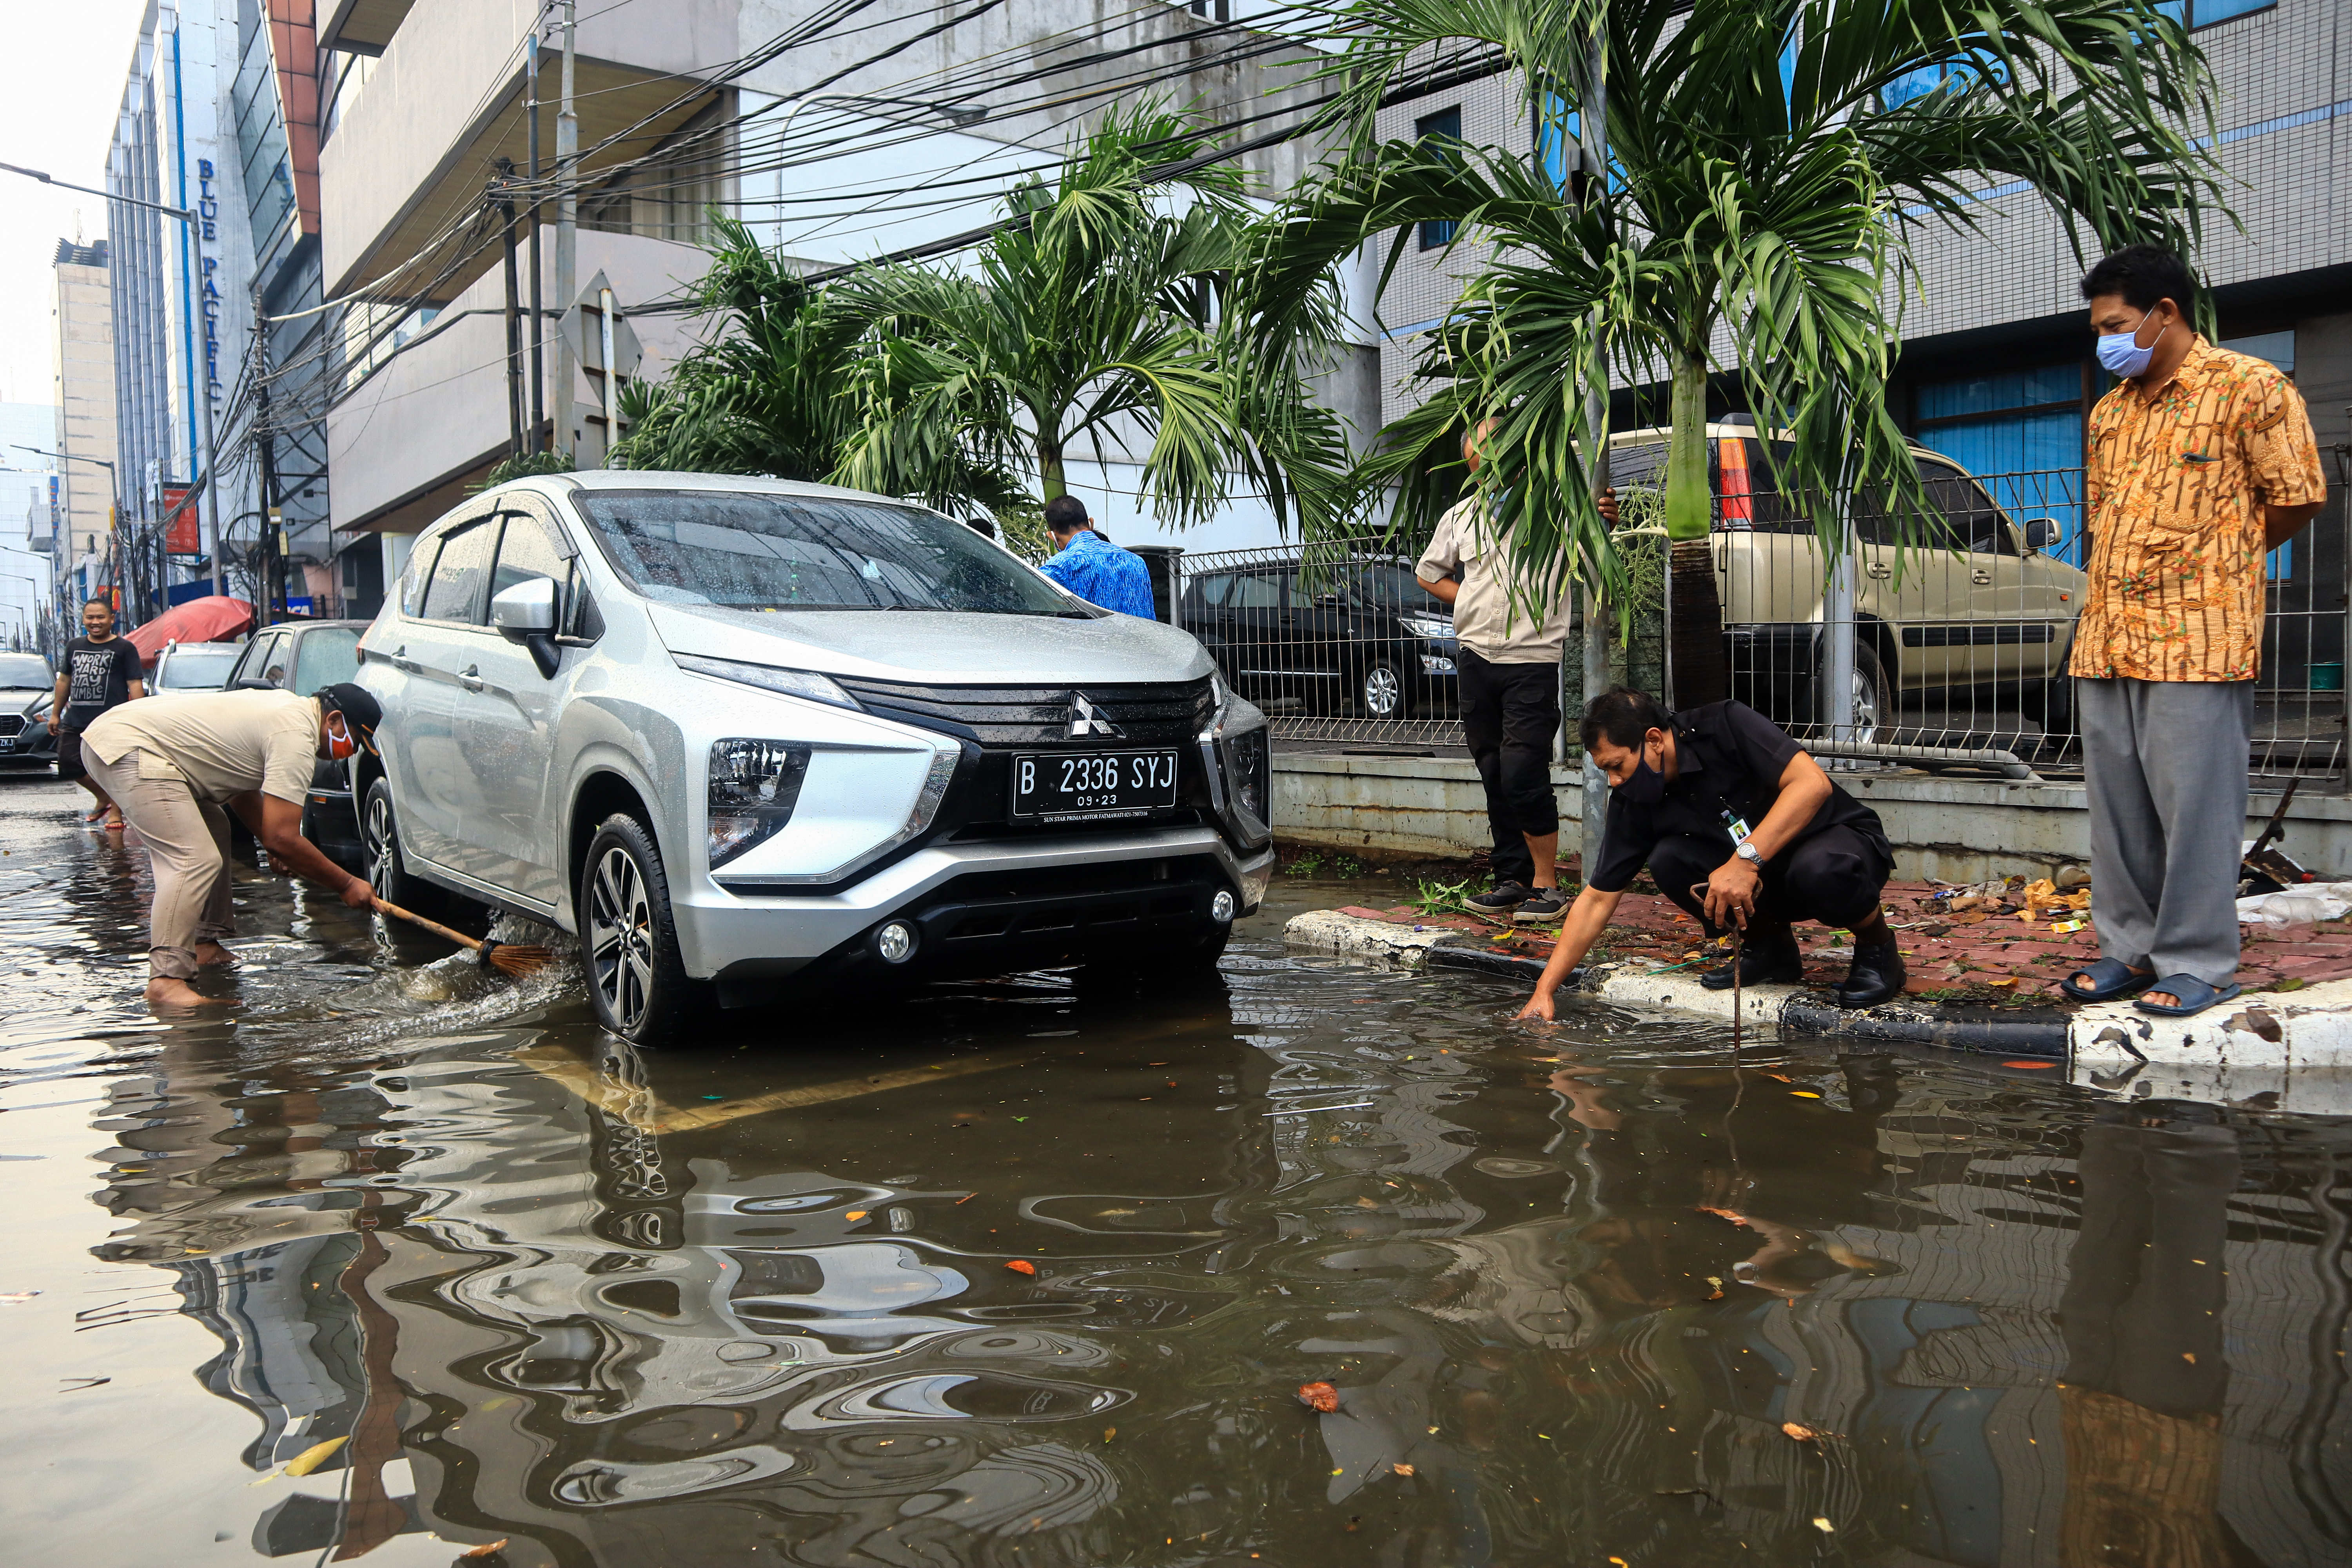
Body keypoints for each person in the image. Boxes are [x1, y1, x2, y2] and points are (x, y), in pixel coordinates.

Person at [2059, 245, 2327, 1018]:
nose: (2105, 341)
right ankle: (2130, 948)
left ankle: (2199, 962)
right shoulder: (2111, 412)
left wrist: (2219, 561)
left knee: (2196, 813)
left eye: (2115, 325)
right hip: (2108, 635)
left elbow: (2299, 495)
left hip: (2198, 637)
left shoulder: (2251, 387)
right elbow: (2106, 514)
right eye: (2098, 329)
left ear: (2165, 313)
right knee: (2120, 815)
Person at [1517, 688, 1904, 1020]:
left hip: (1837, 847)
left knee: (1821, 869)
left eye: (1618, 766)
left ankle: (1877, 949)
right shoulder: (1634, 799)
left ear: (1654, 740)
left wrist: (1745, 860)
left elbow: (1812, 784)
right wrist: (1545, 990)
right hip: (1764, 878)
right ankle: (1769, 949)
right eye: (1606, 771)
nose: (1614, 781)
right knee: (1670, 860)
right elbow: (1598, 898)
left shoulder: (1727, 724)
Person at [1415, 421, 1617, 924]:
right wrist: (1469, 599)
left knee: (1523, 771)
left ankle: (1547, 886)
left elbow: (1593, 547)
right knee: (1493, 770)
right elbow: (1428, 573)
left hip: (1532, 660)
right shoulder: (1462, 515)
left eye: (1496, 449)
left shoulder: (1555, 508)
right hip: (1475, 658)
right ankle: (1512, 879)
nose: (1489, 461)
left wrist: (1604, 522)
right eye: (1478, 456)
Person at [80, 681, 381, 1010]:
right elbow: (282, 836)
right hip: (130, 746)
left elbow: (241, 791)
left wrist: (273, 843)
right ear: (333, 721)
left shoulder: (287, 713)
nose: (351, 752)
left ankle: (203, 944)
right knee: (194, 857)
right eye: (354, 741)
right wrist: (346, 884)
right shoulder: (297, 735)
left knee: (214, 827)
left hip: (124, 738)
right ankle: (166, 980)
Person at [52, 597, 145, 830]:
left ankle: (116, 813)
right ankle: (103, 797)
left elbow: (134, 683)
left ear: (112, 619)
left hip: (111, 720)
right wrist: (55, 714)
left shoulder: (125, 648)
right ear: (83, 620)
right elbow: (64, 681)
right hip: (76, 719)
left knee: (111, 767)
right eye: (90, 617)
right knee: (68, 763)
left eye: (101, 617)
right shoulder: (74, 646)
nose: (95, 622)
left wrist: (138, 715)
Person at [1037, 494, 1156, 617]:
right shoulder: (1137, 561)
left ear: (1052, 536)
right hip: (1140, 631)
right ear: (1091, 523)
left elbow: (1029, 593)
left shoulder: (1060, 566)